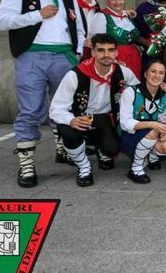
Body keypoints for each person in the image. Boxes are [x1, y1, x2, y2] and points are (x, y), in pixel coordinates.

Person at [0, 0, 86, 187]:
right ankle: (27, 165)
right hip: (32, 56)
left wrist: (76, 55)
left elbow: (78, 30)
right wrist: (37, 15)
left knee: (64, 106)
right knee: (31, 111)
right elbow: (2, 21)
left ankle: (62, 149)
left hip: (64, 57)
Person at [49, 34, 139, 186]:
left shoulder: (123, 71)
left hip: (103, 118)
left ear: (116, 53)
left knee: (112, 148)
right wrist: (71, 120)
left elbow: (138, 91)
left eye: (111, 50)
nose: (106, 55)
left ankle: (102, 150)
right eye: (101, 50)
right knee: (69, 132)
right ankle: (84, 167)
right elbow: (56, 109)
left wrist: (159, 86)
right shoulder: (75, 75)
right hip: (79, 117)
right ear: (93, 52)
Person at [119, 59, 166, 184]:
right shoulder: (131, 92)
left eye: (161, 73)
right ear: (145, 74)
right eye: (153, 71)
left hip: (154, 132)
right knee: (154, 130)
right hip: (130, 135)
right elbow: (125, 122)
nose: (157, 76)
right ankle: (136, 168)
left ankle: (151, 156)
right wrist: (152, 124)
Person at [100, 0, 142, 77]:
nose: (117, 2)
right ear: (107, 0)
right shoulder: (101, 17)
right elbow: (97, 42)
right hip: (116, 57)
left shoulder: (127, 17)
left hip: (134, 57)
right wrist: (112, 60)